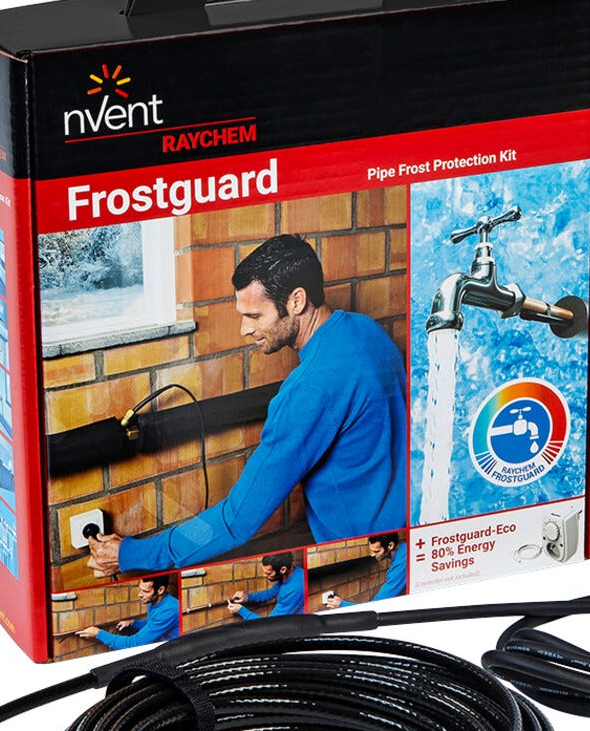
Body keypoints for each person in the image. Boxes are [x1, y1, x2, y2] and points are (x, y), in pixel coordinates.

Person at [87, 235, 407, 577]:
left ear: (296, 301)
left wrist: (133, 553)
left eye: (255, 315)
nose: (244, 328)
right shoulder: (366, 330)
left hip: (366, 563)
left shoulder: (309, 391)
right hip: (405, 532)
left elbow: (235, 520)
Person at [77, 575, 179, 649]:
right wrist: (133, 623)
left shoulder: (169, 609)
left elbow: (134, 643)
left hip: (172, 652)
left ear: (160, 590)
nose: (140, 595)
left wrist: (98, 634)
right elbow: (152, 623)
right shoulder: (153, 601)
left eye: (145, 591)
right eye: (140, 589)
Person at [323, 533, 408, 608]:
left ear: (390, 546)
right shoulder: (405, 548)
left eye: (376, 551)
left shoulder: (401, 565)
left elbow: (378, 605)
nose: (372, 555)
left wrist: (342, 604)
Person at [226, 551, 305, 620]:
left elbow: (271, 624)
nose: (264, 575)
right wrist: (247, 597)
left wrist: (241, 610)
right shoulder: (291, 573)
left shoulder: (294, 589)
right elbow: (272, 592)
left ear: (283, 569)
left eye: (268, 573)